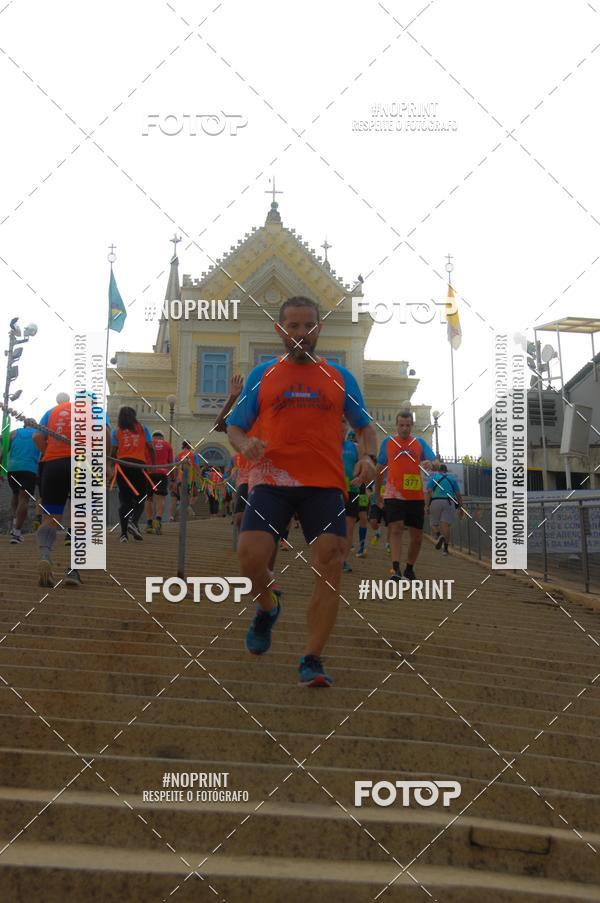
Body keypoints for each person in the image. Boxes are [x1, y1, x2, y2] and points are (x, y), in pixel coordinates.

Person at [227, 295, 377, 687]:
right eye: (292, 326)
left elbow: (363, 427)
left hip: (325, 484)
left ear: (318, 329)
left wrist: (368, 457)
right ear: (280, 330)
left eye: (308, 325)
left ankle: (312, 658)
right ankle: (267, 606)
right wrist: (244, 445)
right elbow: (235, 425)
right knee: (249, 558)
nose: (301, 333)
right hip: (272, 480)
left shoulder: (340, 378)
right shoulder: (263, 373)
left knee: (329, 564)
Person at [34, 395, 110, 587]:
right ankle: (72, 570)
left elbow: (37, 436)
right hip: (83, 465)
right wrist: (105, 462)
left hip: (53, 465)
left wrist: (49, 452)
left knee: (50, 517)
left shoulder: (54, 411)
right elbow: (106, 435)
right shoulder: (96, 412)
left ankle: (45, 554)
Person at [375, 411, 436, 581]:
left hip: (415, 496)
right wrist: (377, 494)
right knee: (396, 528)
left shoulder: (420, 443)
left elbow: (436, 462)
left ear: (412, 426)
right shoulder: (388, 443)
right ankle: (395, 569)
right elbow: (379, 469)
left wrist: (431, 463)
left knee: (416, 537)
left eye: (408, 425)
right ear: (396, 425)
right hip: (393, 493)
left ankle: (409, 568)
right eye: (401, 425)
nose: (404, 428)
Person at [111, 407, 154, 542]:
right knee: (141, 497)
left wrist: (111, 468)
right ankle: (133, 522)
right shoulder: (143, 428)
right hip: (138, 466)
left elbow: (113, 452)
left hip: (122, 466)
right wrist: (152, 465)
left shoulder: (116, 431)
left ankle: (124, 534)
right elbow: (150, 447)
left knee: (125, 500)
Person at [7, 418, 40, 543]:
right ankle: (16, 533)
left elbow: (4, 450)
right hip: (28, 469)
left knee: (15, 494)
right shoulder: (38, 434)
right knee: (24, 499)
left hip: (12, 469)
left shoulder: (14, 433)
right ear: (35, 425)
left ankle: (15, 523)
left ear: (24, 424)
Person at [425, 464, 463, 556]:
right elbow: (458, 495)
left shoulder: (434, 478)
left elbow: (429, 492)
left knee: (433, 524)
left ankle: (439, 536)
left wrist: (426, 506)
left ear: (439, 471)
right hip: (449, 502)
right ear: (446, 471)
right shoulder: (452, 480)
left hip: (436, 501)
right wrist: (460, 508)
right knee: (445, 526)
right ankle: (445, 550)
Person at [144, 430, 174, 534]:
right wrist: (173, 479)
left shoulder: (148, 444)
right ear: (162, 438)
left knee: (149, 498)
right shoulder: (167, 445)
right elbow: (170, 463)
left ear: (153, 437)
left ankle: (149, 523)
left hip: (149, 473)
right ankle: (158, 521)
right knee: (160, 498)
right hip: (162, 473)